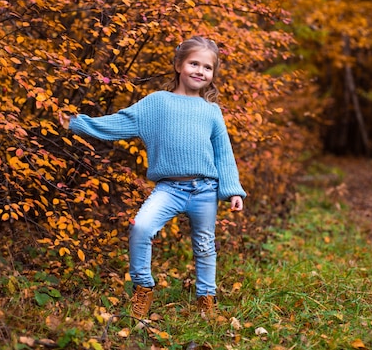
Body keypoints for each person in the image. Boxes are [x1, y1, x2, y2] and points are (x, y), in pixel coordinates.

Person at [58, 36, 246, 321]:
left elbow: (223, 152)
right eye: (194, 63)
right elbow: (120, 122)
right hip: (169, 188)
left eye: (207, 68)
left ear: (212, 75)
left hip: (205, 189)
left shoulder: (212, 111)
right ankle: (143, 288)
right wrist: (78, 123)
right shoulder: (157, 103)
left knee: (205, 246)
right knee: (141, 228)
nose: (199, 71)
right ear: (178, 65)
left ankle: (206, 299)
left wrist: (233, 190)